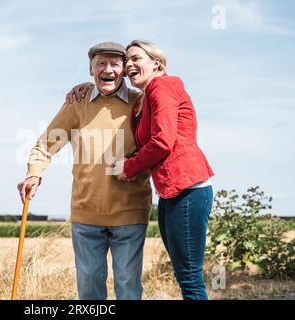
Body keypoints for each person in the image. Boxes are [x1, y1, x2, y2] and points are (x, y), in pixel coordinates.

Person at [67, 40, 214, 300]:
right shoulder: (145, 98)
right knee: (184, 273)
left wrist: (129, 167)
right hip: (171, 192)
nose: (130, 64)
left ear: (156, 63)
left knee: (190, 275)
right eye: (128, 62)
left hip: (188, 189)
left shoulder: (162, 85)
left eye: (136, 58)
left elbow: (162, 141)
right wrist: (87, 87)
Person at [17, 42, 153, 300]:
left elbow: (157, 142)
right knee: (89, 289)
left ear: (124, 70)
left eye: (115, 63)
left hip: (130, 212)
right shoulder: (77, 103)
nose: (107, 69)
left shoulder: (140, 102)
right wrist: (34, 173)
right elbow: (46, 144)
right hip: (86, 213)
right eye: (101, 63)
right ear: (91, 69)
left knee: (127, 285)